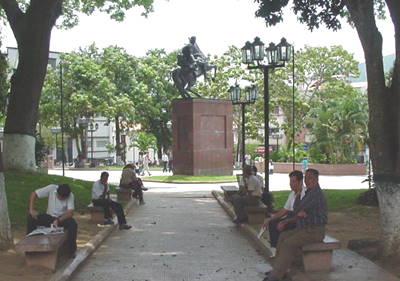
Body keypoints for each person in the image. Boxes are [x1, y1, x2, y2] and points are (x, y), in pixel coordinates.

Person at [263, 169, 327, 281]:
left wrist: (291, 218)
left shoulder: (315, 194)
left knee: (288, 243)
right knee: (283, 237)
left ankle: (276, 276)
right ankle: (279, 268)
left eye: (310, 178)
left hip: (314, 231)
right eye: (306, 178)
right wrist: (297, 215)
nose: (307, 181)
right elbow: (298, 211)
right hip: (304, 228)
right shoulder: (309, 192)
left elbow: (297, 209)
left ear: (316, 180)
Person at [27, 184, 77, 258]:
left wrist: (58, 220)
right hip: (49, 217)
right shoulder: (51, 188)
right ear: (57, 192)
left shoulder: (70, 196)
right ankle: (30, 246)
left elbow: (70, 212)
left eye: (62, 198)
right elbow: (34, 194)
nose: (60, 198)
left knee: (73, 224)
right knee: (31, 218)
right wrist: (31, 209)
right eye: (59, 196)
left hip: (62, 219)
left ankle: (71, 251)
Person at [262, 170, 305, 253]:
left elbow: (300, 214)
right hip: (290, 216)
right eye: (290, 181)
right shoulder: (292, 194)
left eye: (293, 181)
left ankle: (279, 248)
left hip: (299, 220)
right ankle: (274, 247)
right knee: (272, 222)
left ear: (300, 182)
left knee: (280, 225)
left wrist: (284, 222)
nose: (291, 184)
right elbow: (284, 210)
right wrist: (270, 219)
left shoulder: (305, 194)